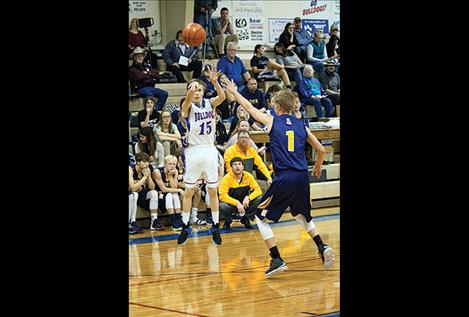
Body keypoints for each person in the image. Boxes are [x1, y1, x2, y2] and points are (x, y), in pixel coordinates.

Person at [222, 80, 335, 277]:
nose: (271, 105)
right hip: (302, 177)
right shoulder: (301, 124)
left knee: (259, 216)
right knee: (301, 215)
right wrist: (317, 167)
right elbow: (321, 149)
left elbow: (248, 108)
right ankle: (322, 246)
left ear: (278, 107)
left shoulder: (272, 120)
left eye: (273, 103)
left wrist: (234, 92)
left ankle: (276, 258)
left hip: (285, 177)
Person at [177, 70, 226, 246]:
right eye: (193, 89)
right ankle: (185, 225)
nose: (196, 92)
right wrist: (192, 88)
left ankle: (215, 225)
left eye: (199, 89)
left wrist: (215, 82)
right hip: (193, 151)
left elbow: (222, 96)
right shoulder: (186, 105)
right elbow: (188, 99)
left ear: (203, 91)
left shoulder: (210, 103)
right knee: (189, 191)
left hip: (209, 149)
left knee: (213, 190)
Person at [219, 157, 263, 230]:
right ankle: (228, 221)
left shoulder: (248, 176)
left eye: (239, 164)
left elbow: (258, 190)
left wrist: (248, 198)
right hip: (232, 205)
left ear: (243, 167)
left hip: (245, 204)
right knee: (222, 206)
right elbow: (222, 196)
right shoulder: (226, 178)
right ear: (231, 167)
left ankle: (246, 219)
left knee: (260, 198)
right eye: (235, 164)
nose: (237, 166)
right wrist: (236, 203)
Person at [129, 152, 164, 232]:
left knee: (154, 193)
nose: (147, 164)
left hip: (142, 193)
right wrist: (144, 177)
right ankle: (132, 222)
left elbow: (152, 187)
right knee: (135, 194)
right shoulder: (131, 169)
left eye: (148, 161)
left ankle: (154, 221)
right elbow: (133, 188)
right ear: (138, 162)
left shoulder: (149, 168)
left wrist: (148, 176)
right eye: (144, 161)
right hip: (131, 195)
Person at [129, 47, 169, 111]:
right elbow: (139, 77)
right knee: (150, 94)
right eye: (138, 56)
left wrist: (147, 73)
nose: (140, 58)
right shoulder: (131, 69)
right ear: (134, 58)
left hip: (151, 87)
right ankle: (152, 110)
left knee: (164, 93)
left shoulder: (146, 66)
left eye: (141, 56)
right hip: (140, 88)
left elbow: (156, 74)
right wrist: (150, 76)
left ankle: (156, 109)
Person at [152, 155, 185, 230]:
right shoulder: (157, 172)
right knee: (171, 194)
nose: (172, 166)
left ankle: (179, 218)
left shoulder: (175, 171)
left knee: (174, 194)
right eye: (170, 164)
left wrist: (170, 176)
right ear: (165, 164)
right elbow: (163, 189)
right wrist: (180, 190)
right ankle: (173, 220)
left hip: (169, 195)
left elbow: (174, 187)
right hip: (159, 196)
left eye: (174, 164)